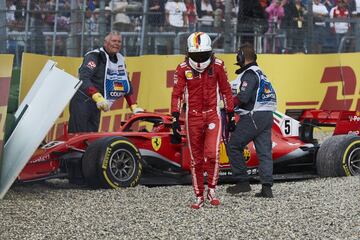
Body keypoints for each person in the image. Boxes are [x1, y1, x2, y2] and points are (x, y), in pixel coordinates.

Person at [171, 32, 235, 209]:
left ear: (210, 52)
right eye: (196, 55)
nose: (199, 58)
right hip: (193, 116)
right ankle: (199, 195)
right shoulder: (182, 68)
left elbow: (226, 91)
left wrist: (231, 114)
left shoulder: (219, 66)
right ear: (189, 53)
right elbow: (177, 94)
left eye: (203, 54)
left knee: (213, 154)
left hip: (213, 114)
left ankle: (212, 190)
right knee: (196, 159)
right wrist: (175, 117)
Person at [226, 43, 277, 198]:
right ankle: (267, 188)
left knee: (234, 145)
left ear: (241, 57)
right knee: (264, 153)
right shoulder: (260, 72)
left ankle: (242, 183)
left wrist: (228, 104)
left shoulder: (249, 74)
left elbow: (243, 97)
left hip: (253, 115)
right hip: (267, 115)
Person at [68, 31, 143, 133]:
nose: (117, 43)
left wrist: (134, 107)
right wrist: (97, 97)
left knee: (92, 136)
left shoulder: (120, 60)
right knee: (78, 136)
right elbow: (84, 78)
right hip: (82, 101)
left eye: (119, 41)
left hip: (97, 104)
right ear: (105, 42)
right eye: (114, 41)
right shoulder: (94, 56)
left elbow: (126, 85)